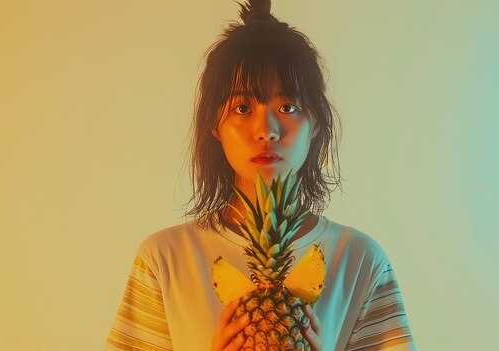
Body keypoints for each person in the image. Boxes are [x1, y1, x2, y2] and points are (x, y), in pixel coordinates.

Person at [103, 1, 416, 350]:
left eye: (288, 107)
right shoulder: (163, 260)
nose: (266, 130)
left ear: (316, 124)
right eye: (242, 107)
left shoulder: (361, 262)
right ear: (214, 125)